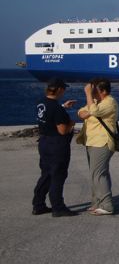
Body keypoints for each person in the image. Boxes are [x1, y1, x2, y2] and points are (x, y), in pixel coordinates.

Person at [33, 78, 77, 217]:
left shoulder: (42, 103)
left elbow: (50, 113)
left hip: (44, 142)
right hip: (57, 145)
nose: (64, 91)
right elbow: (63, 130)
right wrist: (71, 123)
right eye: (63, 88)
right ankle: (58, 207)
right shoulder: (57, 109)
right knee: (58, 175)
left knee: (46, 174)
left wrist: (63, 107)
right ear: (58, 89)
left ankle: (38, 205)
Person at [77, 78, 119, 215]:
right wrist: (89, 109)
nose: (92, 93)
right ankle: (97, 202)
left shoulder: (109, 102)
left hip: (102, 142)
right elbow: (81, 112)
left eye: (95, 90)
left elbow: (93, 112)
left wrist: (88, 95)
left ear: (103, 91)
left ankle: (107, 205)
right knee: (96, 173)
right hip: (91, 141)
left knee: (99, 174)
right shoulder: (96, 102)